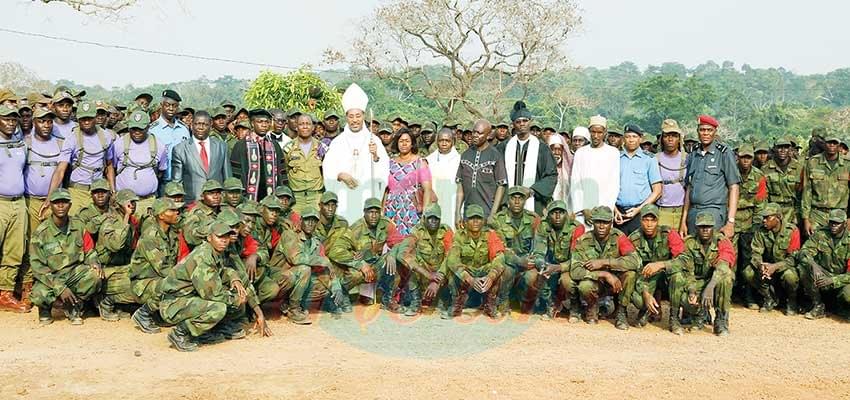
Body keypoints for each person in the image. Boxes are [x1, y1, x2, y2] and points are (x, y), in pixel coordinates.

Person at [159, 221, 265, 352]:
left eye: (226, 237)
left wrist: (234, 278)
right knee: (219, 308)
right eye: (220, 237)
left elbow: (224, 270)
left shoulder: (214, 252)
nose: (224, 241)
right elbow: (212, 294)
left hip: (189, 298)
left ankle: (208, 331)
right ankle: (180, 333)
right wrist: (236, 300)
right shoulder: (204, 256)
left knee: (234, 294)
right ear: (209, 238)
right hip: (173, 303)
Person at [30, 189, 101, 325]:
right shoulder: (41, 232)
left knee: (95, 275)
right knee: (39, 293)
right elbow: (37, 267)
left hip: (73, 274)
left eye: (64, 202)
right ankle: (45, 309)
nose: (61, 206)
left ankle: (74, 305)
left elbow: (89, 250)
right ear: (50, 205)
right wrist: (60, 288)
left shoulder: (79, 226)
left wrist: (94, 262)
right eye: (57, 202)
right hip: (51, 277)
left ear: (70, 204)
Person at [322, 84, 390, 224]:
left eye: (358, 116)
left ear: (363, 116)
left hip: (366, 194)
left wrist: (376, 156)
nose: (354, 120)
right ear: (346, 117)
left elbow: (383, 170)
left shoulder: (374, 140)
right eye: (351, 116)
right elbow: (328, 167)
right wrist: (340, 175)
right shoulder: (338, 142)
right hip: (343, 195)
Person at [327, 198, 403, 312]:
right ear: (364, 212)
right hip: (360, 268)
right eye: (370, 212)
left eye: (377, 212)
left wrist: (391, 254)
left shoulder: (385, 224)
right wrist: (359, 264)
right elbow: (335, 250)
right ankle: (343, 293)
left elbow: (400, 243)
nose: (374, 216)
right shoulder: (355, 229)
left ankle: (388, 299)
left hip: (376, 264)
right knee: (355, 275)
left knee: (394, 261)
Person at [570, 206, 640, 329]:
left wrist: (605, 262)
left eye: (606, 222)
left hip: (616, 284)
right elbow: (575, 271)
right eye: (598, 222)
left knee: (631, 274)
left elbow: (635, 261)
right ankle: (592, 308)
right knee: (584, 286)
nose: (602, 226)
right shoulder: (584, 240)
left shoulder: (619, 237)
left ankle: (621, 312)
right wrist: (604, 274)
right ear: (593, 223)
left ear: (611, 223)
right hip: (596, 282)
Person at [268, 207, 342, 323]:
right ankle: (294, 309)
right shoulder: (289, 235)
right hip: (277, 277)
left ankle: (289, 302)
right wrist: (321, 260)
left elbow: (326, 266)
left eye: (314, 221)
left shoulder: (315, 242)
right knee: (304, 269)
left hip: (295, 278)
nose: (310, 223)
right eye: (307, 220)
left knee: (324, 286)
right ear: (301, 220)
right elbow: (296, 259)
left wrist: (336, 286)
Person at [44, 100, 116, 216]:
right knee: (76, 227)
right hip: (77, 191)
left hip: (98, 192)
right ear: (78, 119)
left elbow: (109, 165)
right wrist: (49, 197)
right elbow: (60, 170)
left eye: (89, 118)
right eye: (83, 119)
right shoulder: (72, 138)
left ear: (95, 117)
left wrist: (113, 190)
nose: (86, 122)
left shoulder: (106, 137)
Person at [680, 115, 741, 237]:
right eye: (702, 130)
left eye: (709, 130)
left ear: (715, 132)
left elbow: (733, 187)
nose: (706, 133)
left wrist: (731, 222)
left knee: (713, 252)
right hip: (694, 213)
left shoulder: (724, 153)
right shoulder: (694, 153)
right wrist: (683, 220)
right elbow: (689, 188)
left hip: (714, 212)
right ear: (698, 132)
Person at [628, 205, 686, 332]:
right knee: (639, 300)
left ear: (658, 220)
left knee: (678, 276)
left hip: (666, 278)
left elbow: (683, 260)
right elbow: (632, 268)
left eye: (653, 220)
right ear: (640, 221)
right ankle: (646, 309)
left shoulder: (669, 234)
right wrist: (645, 292)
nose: (649, 224)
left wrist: (661, 265)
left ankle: (674, 318)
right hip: (645, 279)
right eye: (645, 220)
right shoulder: (634, 238)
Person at [444, 204, 507, 319]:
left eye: (478, 218)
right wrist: (469, 278)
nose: (475, 221)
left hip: (484, 270)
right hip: (467, 272)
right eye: (472, 218)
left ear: (483, 221)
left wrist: (491, 276)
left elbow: (499, 257)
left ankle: (490, 304)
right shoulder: (459, 236)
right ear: (465, 221)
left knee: (499, 270)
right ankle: (456, 304)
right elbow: (453, 260)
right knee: (452, 271)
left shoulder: (490, 235)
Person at [129, 198, 182, 334]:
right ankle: (143, 313)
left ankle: (158, 314)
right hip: (142, 284)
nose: (177, 213)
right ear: (161, 215)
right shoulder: (151, 236)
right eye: (172, 210)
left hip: (157, 280)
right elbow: (164, 269)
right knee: (171, 284)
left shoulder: (171, 234)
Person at [390, 204, 451, 317]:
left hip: (440, 278)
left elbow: (451, 258)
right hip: (422, 275)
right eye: (430, 218)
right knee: (407, 262)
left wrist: (436, 281)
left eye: (436, 218)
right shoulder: (417, 231)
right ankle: (415, 301)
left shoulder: (446, 231)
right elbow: (402, 255)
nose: (433, 221)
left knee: (454, 264)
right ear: (424, 219)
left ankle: (445, 301)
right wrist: (428, 275)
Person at [497, 102, 558, 214]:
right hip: (507, 203)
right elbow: (497, 176)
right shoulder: (504, 147)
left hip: (533, 202)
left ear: (530, 122)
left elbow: (551, 175)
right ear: (513, 124)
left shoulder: (542, 148)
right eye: (518, 122)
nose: (522, 124)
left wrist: (532, 190)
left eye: (525, 121)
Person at [490, 187, 542, 315]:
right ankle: (503, 300)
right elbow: (500, 248)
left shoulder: (533, 219)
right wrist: (518, 261)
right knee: (506, 271)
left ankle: (525, 301)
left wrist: (532, 260)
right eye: (513, 198)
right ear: (508, 200)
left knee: (533, 276)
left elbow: (539, 244)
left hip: (527, 260)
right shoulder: (498, 219)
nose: (517, 202)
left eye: (520, 198)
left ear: (525, 200)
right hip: (509, 260)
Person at [91, 189, 141, 321]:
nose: (133, 206)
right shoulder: (110, 222)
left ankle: (118, 304)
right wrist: (125, 218)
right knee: (135, 285)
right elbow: (116, 245)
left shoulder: (130, 222)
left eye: (134, 202)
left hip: (120, 268)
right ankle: (106, 301)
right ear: (120, 204)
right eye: (129, 203)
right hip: (106, 271)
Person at [106, 110, 167, 217]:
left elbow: (161, 171)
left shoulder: (159, 145)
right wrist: (113, 191)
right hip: (123, 201)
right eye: (133, 129)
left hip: (147, 201)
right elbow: (111, 168)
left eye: (141, 129)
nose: (136, 132)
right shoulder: (119, 144)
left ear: (148, 127)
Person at [744, 203, 802, 315]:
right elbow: (756, 253)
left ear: (778, 217)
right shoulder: (760, 231)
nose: (764, 220)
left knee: (790, 276)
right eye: (763, 218)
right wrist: (760, 265)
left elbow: (793, 258)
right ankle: (769, 298)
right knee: (748, 272)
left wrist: (775, 267)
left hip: (784, 267)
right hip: (767, 268)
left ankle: (792, 301)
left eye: (768, 217)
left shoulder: (792, 230)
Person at [534, 200, 585, 321]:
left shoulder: (577, 228)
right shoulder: (543, 225)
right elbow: (538, 251)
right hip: (551, 263)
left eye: (561, 212)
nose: (557, 216)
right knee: (535, 275)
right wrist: (542, 265)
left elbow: (577, 259)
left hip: (571, 266)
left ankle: (575, 306)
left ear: (566, 214)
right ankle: (550, 303)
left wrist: (557, 268)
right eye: (554, 213)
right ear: (549, 215)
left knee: (566, 281)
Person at [0, 104, 29, 312]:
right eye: (6, 119)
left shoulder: (20, 143)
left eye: (13, 119)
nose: (10, 122)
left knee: (15, 250)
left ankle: (5, 293)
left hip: (19, 202)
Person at [799, 209, 850, 321]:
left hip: (841, 280)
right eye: (831, 222)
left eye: (837, 223)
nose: (833, 226)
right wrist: (814, 265)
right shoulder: (820, 234)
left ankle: (842, 307)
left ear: (845, 224)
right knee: (803, 267)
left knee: (848, 294)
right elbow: (804, 252)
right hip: (822, 275)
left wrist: (833, 280)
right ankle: (818, 305)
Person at [732, 144, 767, 305]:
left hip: (749, 222)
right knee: (731, 259)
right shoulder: (731, 172)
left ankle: (748, 294)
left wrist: (755, 226)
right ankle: (729, 293)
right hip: (732, 220)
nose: (745, 160)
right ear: (737, 157)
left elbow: (760, 203)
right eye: (742, 157)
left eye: (749, 157)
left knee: (748, 260)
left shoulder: (759, 176)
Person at [171, 110, 231, 204]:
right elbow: (177, 182)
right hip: (192, 202)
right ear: (191, 125)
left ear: (210, 125)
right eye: (197, 124)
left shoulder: (221, 146)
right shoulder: (180, 149)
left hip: (217, 202)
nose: (201, 127)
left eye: (204, 124)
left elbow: (228, 178)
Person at [570, 116, 620, 225]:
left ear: (605, 132)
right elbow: (575, 183)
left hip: (604, 211)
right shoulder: (581, 153)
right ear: (589, 132)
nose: (596, 136)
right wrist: (584, 208)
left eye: (599, 132)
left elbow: (614, 184)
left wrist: (604, 211)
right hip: (584, 213)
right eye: (593, 132)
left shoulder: (613, 153)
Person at [455, 121, 507, 225]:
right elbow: (460, 184)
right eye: (474, 132)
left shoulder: (495, 156)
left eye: (479, 133)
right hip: (468, 213)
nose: (475, 135)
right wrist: (457, 213)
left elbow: (501, 186)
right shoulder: (465, 155)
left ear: (488, 135)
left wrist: (493, 214)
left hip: (487, 213)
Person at [384, 129, 433, 236]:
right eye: (401, 141)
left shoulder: (420, 162)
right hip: (392, 208)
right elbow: (385, 189)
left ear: (412, 144)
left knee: (410, 244)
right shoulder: (390, 162)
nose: (404, 144)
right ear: (397, 143)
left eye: (407, 141)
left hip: (411, 210)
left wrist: (425, 212)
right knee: (392, 241)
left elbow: (427, 190)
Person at [615, 124, 662, 234]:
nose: (631, 140)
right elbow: (608, 187)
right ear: (623, 139)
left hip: (641, 212)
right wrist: (614, 210)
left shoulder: (649, 159)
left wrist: (639, 209)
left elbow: (657, 190)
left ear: (640, 139)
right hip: (619, 212)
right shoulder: (616, 158)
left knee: (639, 247)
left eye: (634, 137)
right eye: (628, 137)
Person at [230, 109, 285, 201]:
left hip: (271, 196)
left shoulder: (274, 145)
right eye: (260, 122)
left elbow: (281, 172)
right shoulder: (241, 145)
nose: (264, 125)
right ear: (252, 123)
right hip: (248, 196)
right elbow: (236, 174)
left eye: (267, 122)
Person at [801, 133, 850, 236]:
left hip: (840, 214)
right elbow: (807, 192)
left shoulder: (847, 164)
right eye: (829, 143)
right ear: (824, 144)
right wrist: (806, 219)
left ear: (839, 145)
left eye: (834, 143)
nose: (831, 145)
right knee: (813, 242)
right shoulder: (813, 162)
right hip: (817, 213)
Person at [146, 90, 191, 186]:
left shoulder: (184, 129)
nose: (171, 108)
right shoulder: (152, 130)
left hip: (181, 181)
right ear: (161, 105)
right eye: (167, 105)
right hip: (161, 181)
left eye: (174, 106)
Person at [282, 114, 324, 213]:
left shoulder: (321, 147)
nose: (305, 127)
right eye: (301, 124)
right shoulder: (289, 148)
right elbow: (284, 171)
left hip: (316, 197)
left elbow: (326, 172)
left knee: (314, 226)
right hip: (296, 198)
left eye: (308, 124)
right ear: (296, 127)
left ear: (313, 127)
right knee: (295, 226)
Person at [655, 119, 688, 229]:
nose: (670, 139)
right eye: (666, 136)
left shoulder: (687, 158)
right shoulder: (655, 159)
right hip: (662, 211)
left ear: (679, 139)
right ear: (661, 139)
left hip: (682, 211)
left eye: (674, 135)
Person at [763, 137, 804, 225]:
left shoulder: (799, 167)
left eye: (786, 147)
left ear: (790, 149)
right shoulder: (766, 168)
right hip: (772, 211)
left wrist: (798, 214)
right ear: (774, 149)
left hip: (792, 210)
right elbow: (763, 195)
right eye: (779, 147)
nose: (783, 150)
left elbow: (802, 194)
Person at [426, 128, 460, 227]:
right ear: (437, 141)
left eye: (447, 141)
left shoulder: (459, 160)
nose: (444, 144)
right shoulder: (429, 160)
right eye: (441, 141)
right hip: (434, 200)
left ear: (452, 142)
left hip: (452, 201)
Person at [181, 180, 223, 249]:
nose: (216, 197)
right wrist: (212, 229)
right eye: (211, 193)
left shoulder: (222, 210)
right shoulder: (195, 213)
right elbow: (190, 238)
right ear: (202, 196)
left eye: (218, 193)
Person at [547, 133, 573, 205]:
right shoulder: (544, 168)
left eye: (559, 150)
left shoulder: (569, 170)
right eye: (553, 149)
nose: (556, 153)